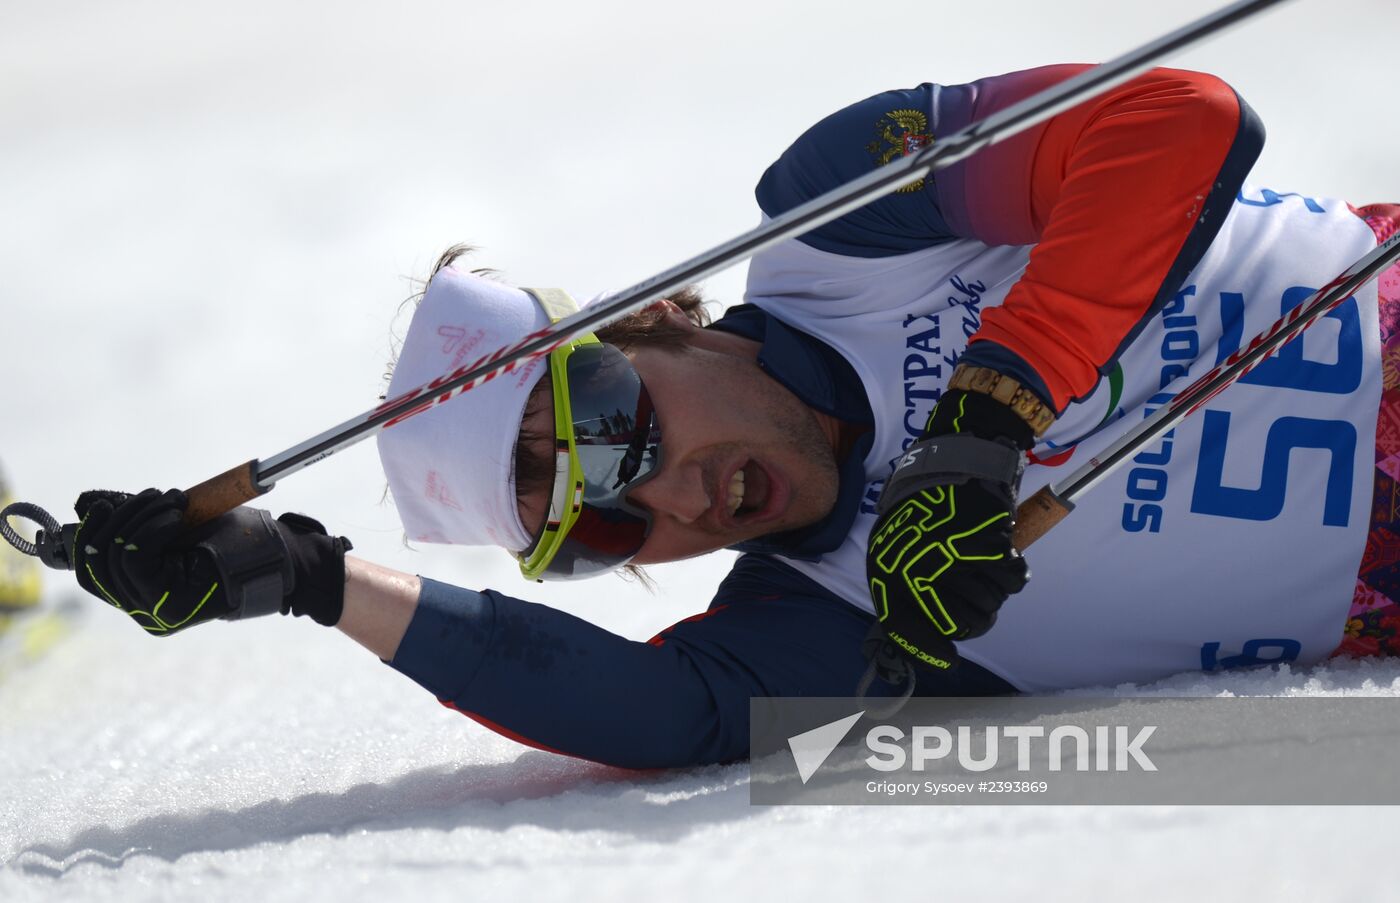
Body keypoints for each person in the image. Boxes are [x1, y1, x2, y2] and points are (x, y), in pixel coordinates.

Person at [64, 65, 1400, 768]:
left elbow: (1176, 119)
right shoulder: (823, 611)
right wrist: (307, 578)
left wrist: (986, 417)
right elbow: (667, 715)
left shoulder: (843, 220)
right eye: (597, 533)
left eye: (622, 434)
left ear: (657, 322)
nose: (669, 503)